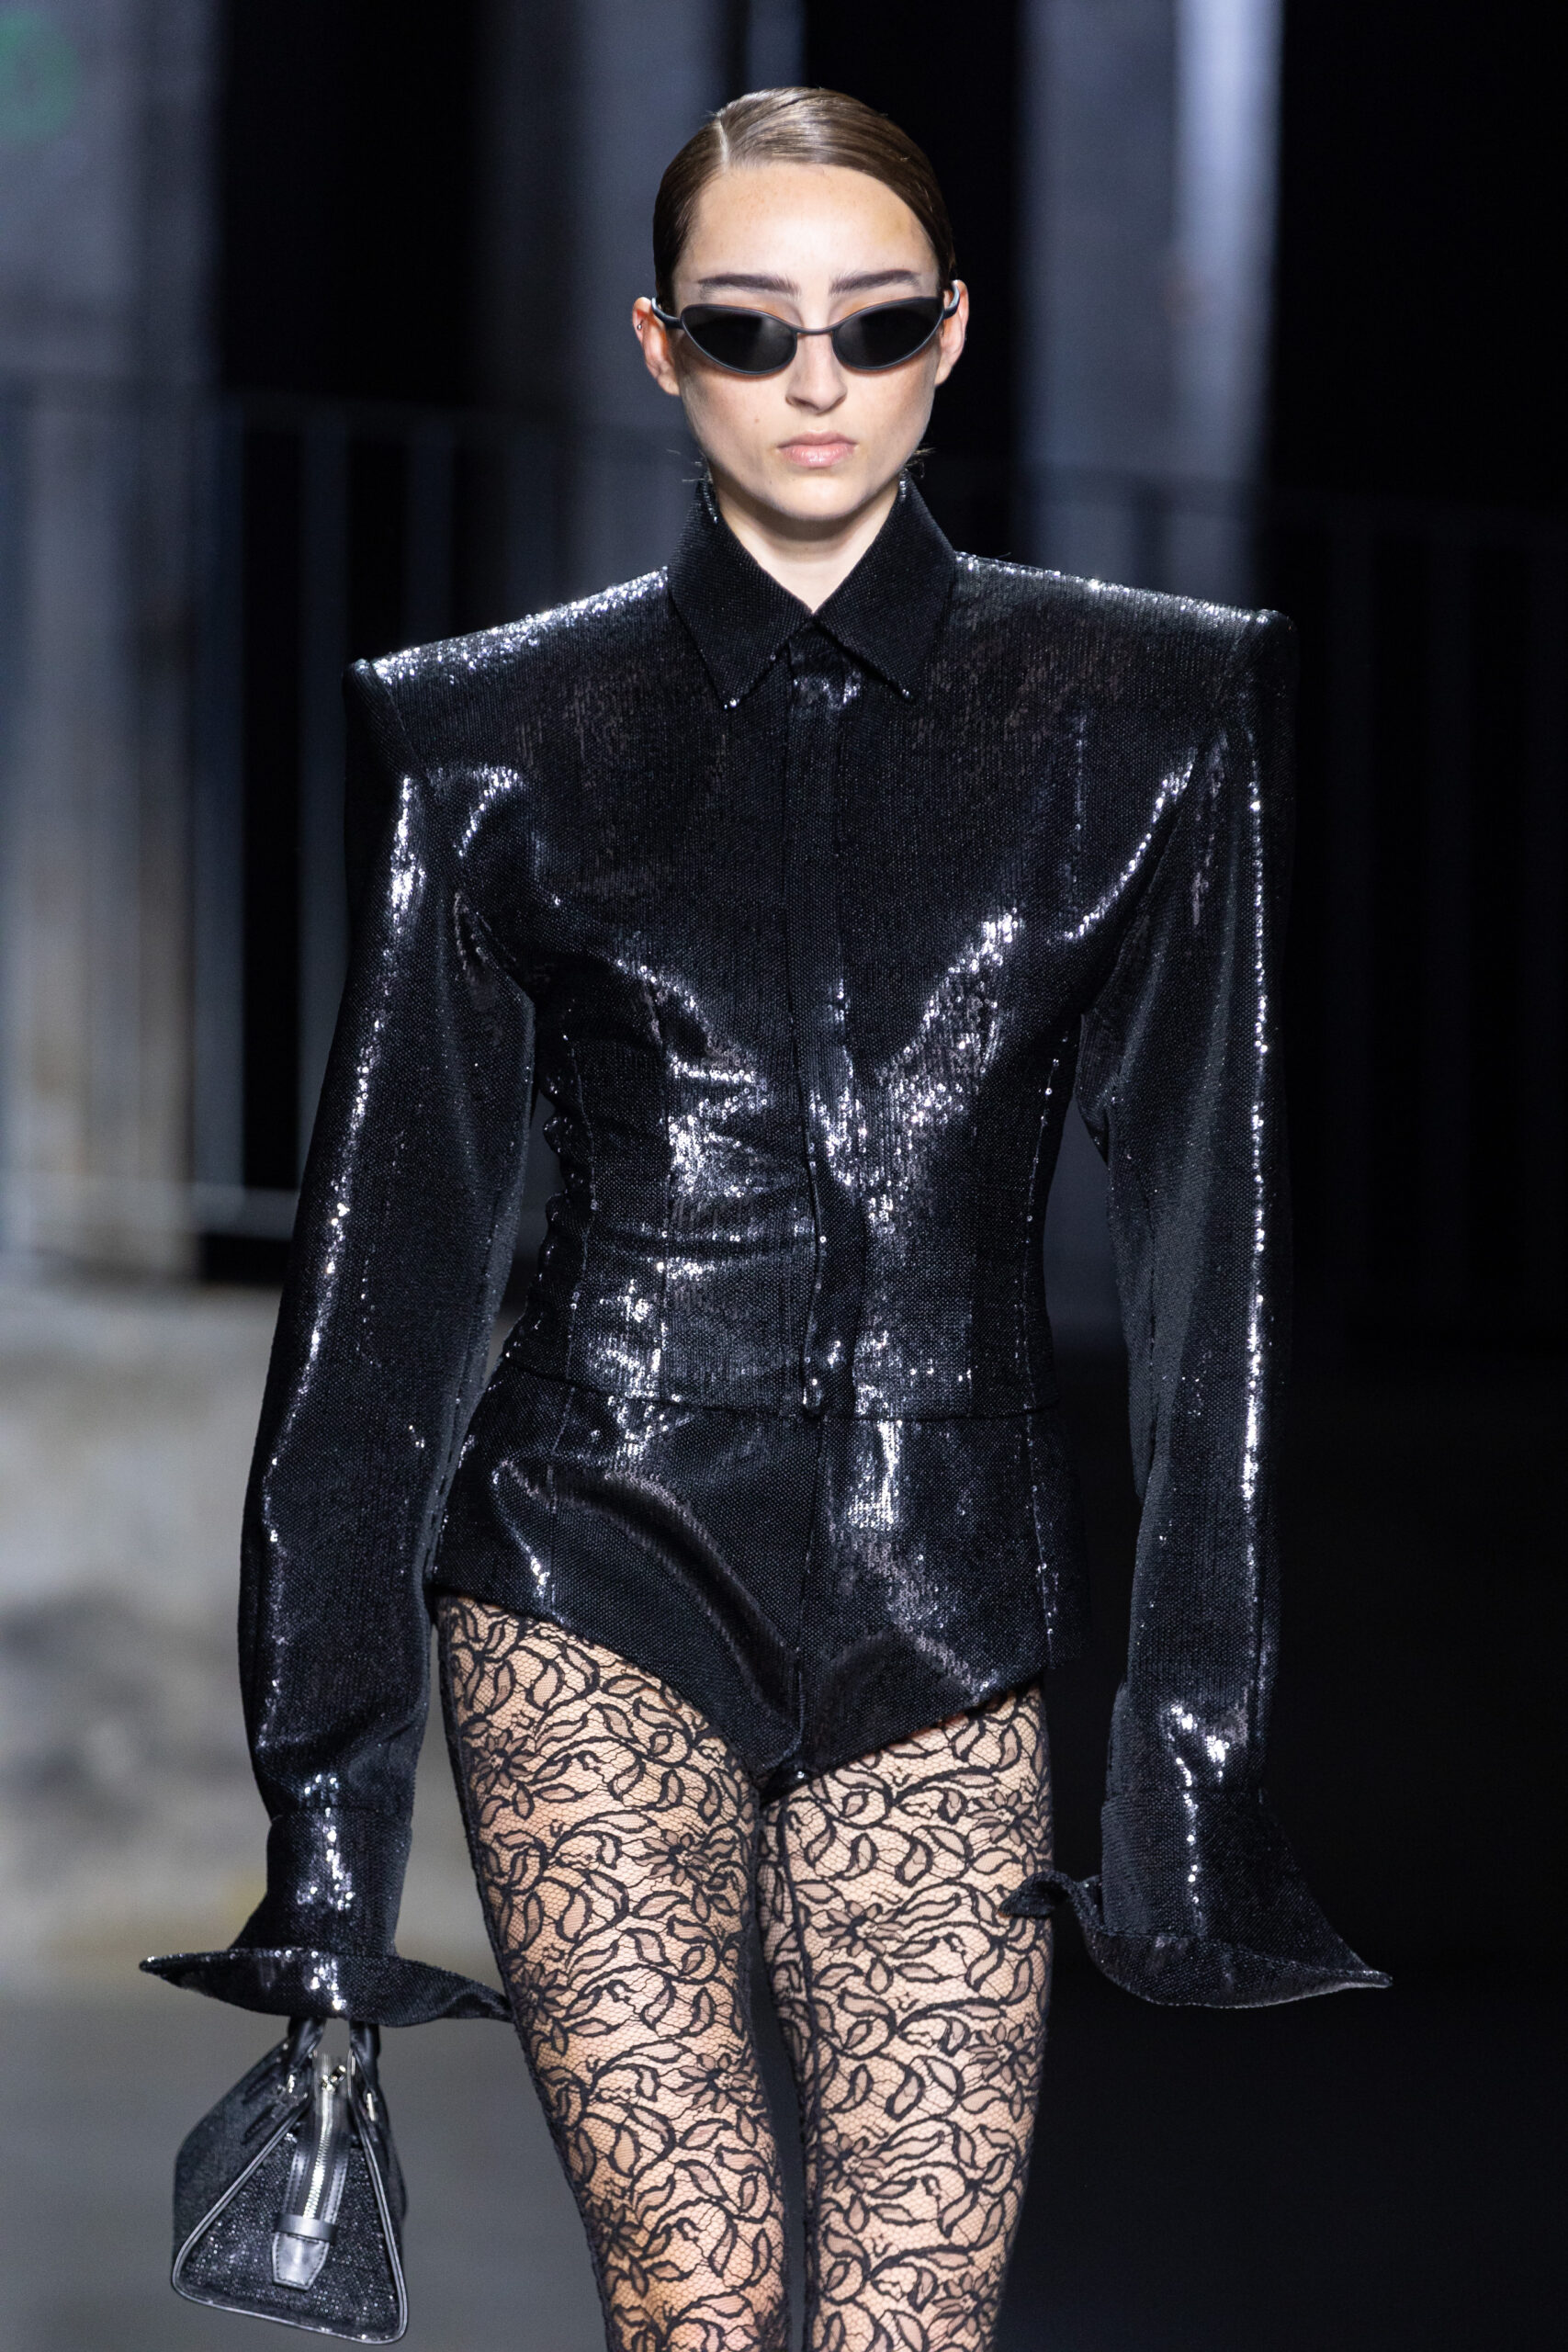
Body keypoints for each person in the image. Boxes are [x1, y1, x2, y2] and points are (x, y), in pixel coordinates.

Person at [149, 86, 1383, 2352]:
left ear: (949, 335)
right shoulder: (501, 736)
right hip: (586, 1561)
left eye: (869, 322)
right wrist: (326, 1827)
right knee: (698, 2286)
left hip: (944, 1591)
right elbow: (383, 1280)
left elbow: (1211, 1260)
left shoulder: (1135, 718)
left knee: (911, 2320)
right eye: (746, 328)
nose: (813, 377)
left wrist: (1190, 1747)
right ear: (661, 347)